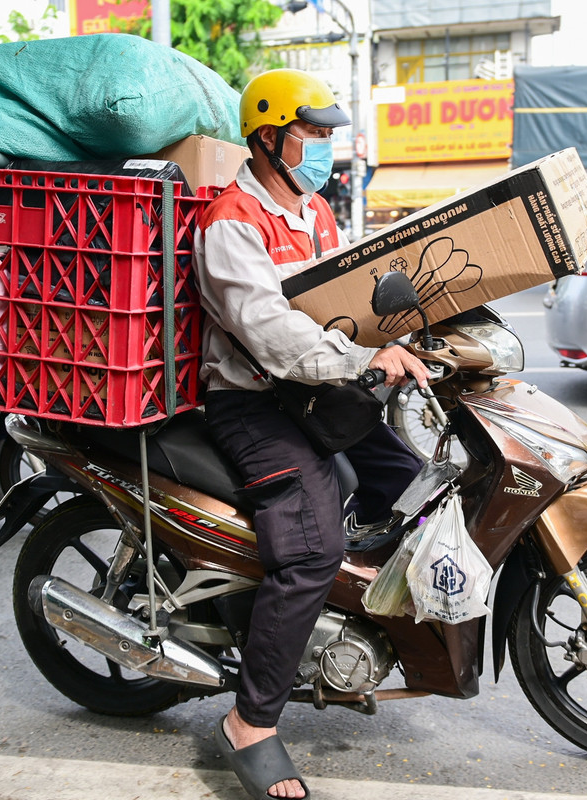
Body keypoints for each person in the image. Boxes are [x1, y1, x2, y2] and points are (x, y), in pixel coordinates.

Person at [194, 69, 430, 800]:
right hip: (255, 403)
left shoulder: (316, 211)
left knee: (411, 479)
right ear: (269, 138)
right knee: (310, 548)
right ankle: (251, 723)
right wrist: (365, 360)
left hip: (315, 390)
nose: (325, 144)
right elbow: (270, 334)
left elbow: (344, 295)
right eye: (313, 132)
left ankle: (344, 622)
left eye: (329, 132)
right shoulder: (233, 220)